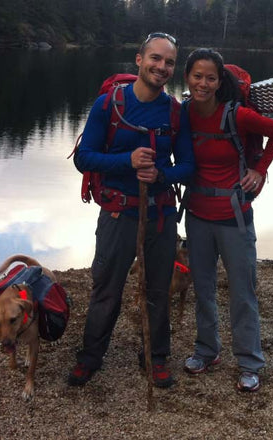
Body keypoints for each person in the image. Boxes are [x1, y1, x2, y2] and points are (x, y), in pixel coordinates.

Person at [68, 33, 195, 388]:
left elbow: (188, 167)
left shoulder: (175, 112)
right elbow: (83, 158)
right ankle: (91, 357)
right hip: (118, 213)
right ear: (139, 59)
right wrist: (128, 160)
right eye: (155, 58)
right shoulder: (108, 105)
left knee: (158, 289)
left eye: (169, 62)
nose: (162, 67)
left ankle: (155, 357)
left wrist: (161, 175)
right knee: (106, 287)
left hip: (160, 215)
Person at [182, 48, 273, 391]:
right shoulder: (183, 113)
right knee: (203, 288)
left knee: (242, 292)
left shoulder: (237, 115)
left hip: (234, 217)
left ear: (219, 81)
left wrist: (260, 169)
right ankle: (206, 350)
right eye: (197, 76)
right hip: (196, 215)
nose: (203, 83)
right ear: (187, 77)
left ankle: (250, 363)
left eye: (210, 78)